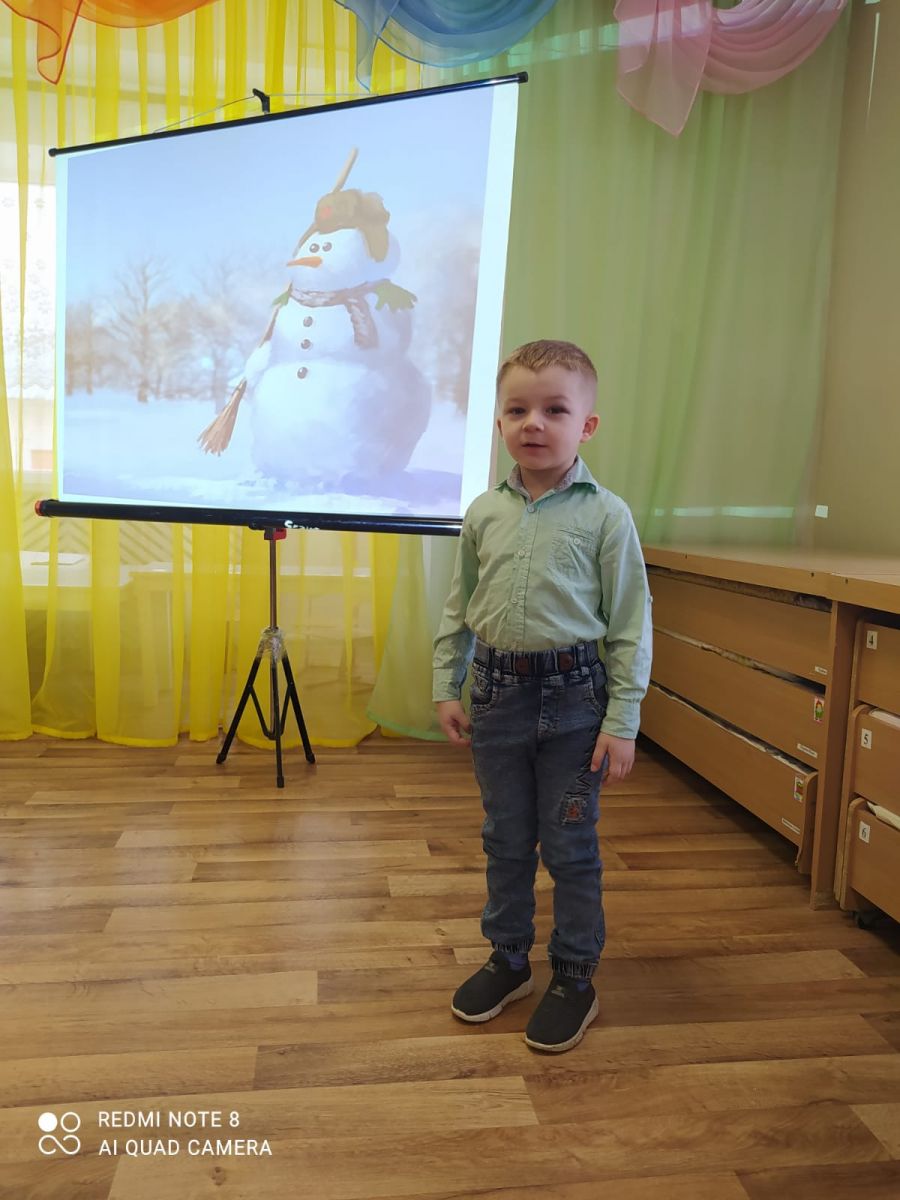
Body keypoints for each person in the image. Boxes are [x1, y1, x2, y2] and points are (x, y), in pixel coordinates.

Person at [432, 339, 652, 1053]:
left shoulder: (606, 516)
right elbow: (460, 604)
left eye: (555, 409)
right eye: (517, 410)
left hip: (575, 705)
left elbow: (630, 625)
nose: (534, 423)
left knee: (569, 843)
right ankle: (509, 959)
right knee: (504, 837)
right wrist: (446, 682)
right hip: (496, 697)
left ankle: (574, 976)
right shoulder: (483, 513)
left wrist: (622, 720)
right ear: (499, 422)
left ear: (587, 425)